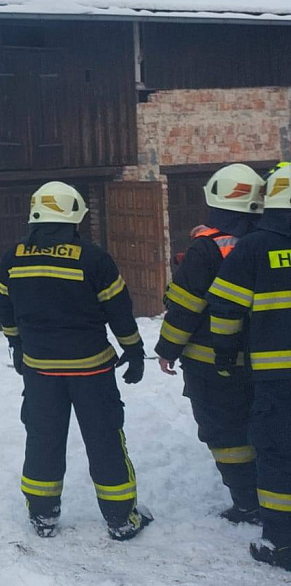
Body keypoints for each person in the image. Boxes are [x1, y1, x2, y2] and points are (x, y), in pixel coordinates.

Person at [0, 181, 153, 540]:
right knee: (104, 439)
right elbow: (119, 311)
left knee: (43, 439)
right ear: (74, 216)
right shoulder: (93, 258)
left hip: (39, 369)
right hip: (91, 370)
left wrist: (17, 343)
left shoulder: (13, 257)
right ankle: (120, 519)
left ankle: (43, 515)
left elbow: (3, 305)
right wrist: (134, 350)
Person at [154, 163, 265, 525]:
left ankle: (247, 503)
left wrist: (167, 349)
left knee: (225, 432)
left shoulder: (207, 248)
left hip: (212, 363)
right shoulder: (271, 239)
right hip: (266, 360)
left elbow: (186, 306)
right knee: (265, 426)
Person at [206, 163, 291, 571]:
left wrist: (224, 353)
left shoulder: (254, 248)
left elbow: (225, 310)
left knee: (277, 455)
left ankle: (281, 544)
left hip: (277, 380)